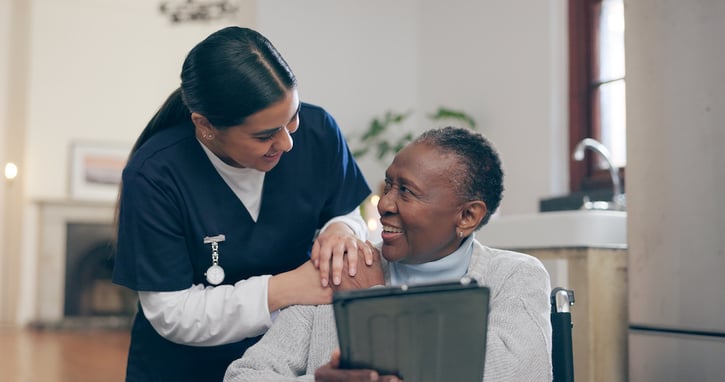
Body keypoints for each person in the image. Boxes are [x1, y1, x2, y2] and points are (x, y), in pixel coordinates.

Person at [111, 26, 373, 382]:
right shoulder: (155, 174)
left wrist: (342, 228)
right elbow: (172, 312)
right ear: (205, 126)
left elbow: (351, 208)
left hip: (284, 362)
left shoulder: (319, 131)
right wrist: (284, 288)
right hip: (184, 367)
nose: (287, 143)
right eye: (265, 135)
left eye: (291, 118)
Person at [224, 126, 553, 382]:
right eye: (388, 185)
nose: (383, 204)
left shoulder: (513, 276)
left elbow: (517, 375)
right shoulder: (341, 268)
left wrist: (375, 298)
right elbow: (245, 376)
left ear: (467, 217)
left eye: (407, 192)